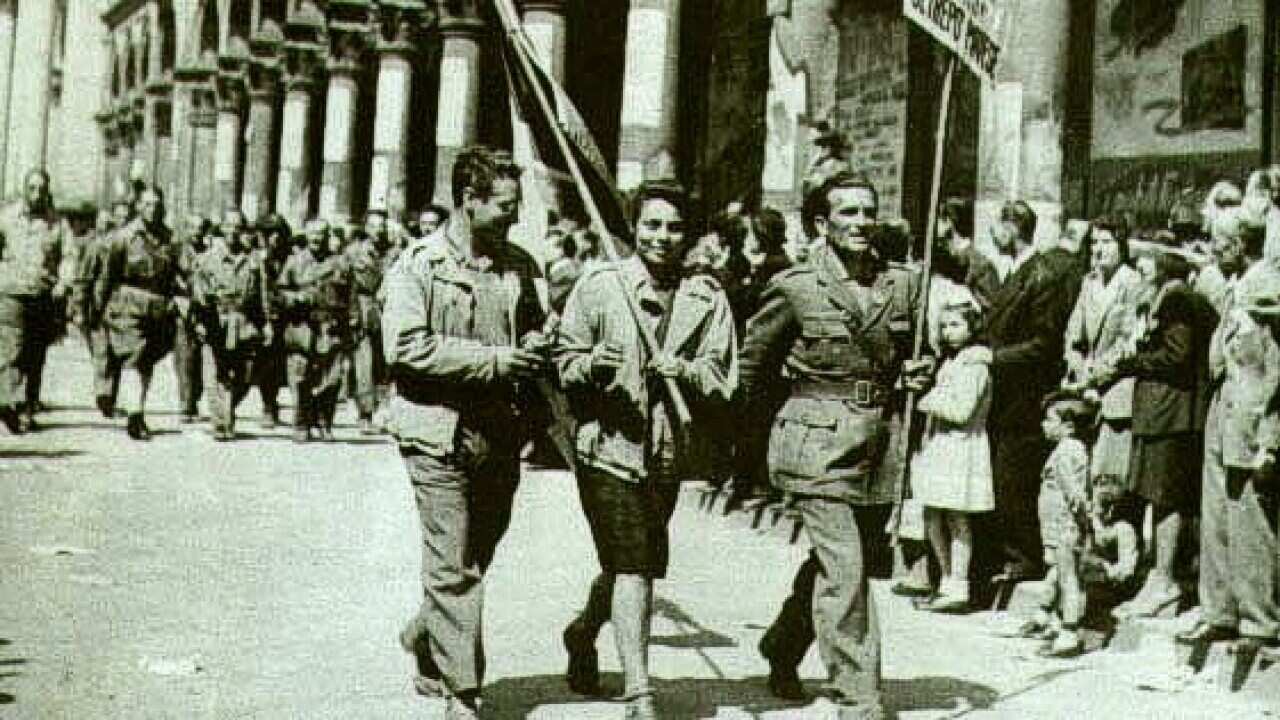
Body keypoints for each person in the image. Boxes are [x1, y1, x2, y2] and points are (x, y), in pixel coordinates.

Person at [741, 171, 928, 719]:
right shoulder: (796, 285)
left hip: (879, 444)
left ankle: (782, 644)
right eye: (847, 213)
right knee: (845, 569)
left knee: (846, 563)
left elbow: (916, 355)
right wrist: (754, 442)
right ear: (822, 224)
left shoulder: (903, 283)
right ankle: (860, 700)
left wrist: (921, 372)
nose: (862, 222)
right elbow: (752, 365)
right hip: (814, 442)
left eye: (868, 211)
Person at [557, 180, 737, 720]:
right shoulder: (598, 285)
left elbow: (725, 378)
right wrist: (594, 365)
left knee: (624, 564)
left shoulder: (709, 297)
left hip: (667, 453)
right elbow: (564, 362)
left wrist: (685, 370)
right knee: (636, 561)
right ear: (634, 227)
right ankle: (640, 693)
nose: (663, 237)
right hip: (608, 445)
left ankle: (584, 630)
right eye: (652, 224)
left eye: (675, 227)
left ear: (691, 235)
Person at [382, 146, 547, 720]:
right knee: (452, 563)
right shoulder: (418, 266)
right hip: (436, 431)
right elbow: (404, 347)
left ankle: (427, 637)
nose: (513, 216)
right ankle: (463, 691)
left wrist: (539, 349)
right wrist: (496, 361)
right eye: (504, 205)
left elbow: (536, 334)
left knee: (479, 552)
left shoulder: (521, 266)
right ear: (468, 200)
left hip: (499, 435)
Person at [1177, 208, 1280, 657]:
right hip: (1223, 409)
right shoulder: (1237, 285)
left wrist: (1270, 438)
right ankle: (1218, 611)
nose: (1213, 246)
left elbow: (1274, 370)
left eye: (1220, 239)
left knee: (1249, 518)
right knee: (1216, 512)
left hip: (1253, 416)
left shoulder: (1268, 289)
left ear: (1242, 243)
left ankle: (1258, 620)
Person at [1105, 243, 1213, 618]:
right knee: (1161, 496)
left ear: (1164, 268)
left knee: (1165, 497)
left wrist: (1128, 362)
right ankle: (1162, 576)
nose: (1139, 272)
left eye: (1145, 265)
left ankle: (1163, 579)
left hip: (1170, 413)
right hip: (1165, 412)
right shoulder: (1173, 298)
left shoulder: (1178, 300)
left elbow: (1176, 356)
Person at [982, 200, 1083, 586]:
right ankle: (1008, 554)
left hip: (1024, 396)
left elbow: (1043, 343)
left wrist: (992, 356)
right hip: (1005, 393)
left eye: (998, 226)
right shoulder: (1017, 272)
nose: (994, 234)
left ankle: (1024, 556)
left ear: (1011, 228)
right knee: (1000, 474)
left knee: (1014, 478)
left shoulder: (1039, 275)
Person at [910, 299, 994, 613]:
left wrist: (926, 400)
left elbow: (961, 411)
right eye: (944, 325)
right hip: (940, 445)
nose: (948, 331)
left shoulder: (976, 366)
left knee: (957, 517)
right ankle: (945, 579)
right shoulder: (951, 361)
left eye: (956, 324)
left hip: (961, 446)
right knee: (932, 514)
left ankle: (959, 583)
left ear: (973, 327)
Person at [1062, 217, 1145, 491]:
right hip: (1085, 394)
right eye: (1094, 242)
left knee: (1109, 482)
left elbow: (1129, 342)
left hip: (1116, 393)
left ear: (1121, 245)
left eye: (1106, 242)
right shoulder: (1089, 283)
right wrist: (1078, 367)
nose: (1098, 249)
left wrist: (1095, 377)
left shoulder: (1133, 284)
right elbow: (1073, 335)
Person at [92, 186, 177, 440]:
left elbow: (174, 274)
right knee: (133, 357)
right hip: (127, 304)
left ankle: (136, 408)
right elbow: (108, 275)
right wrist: (99, 306)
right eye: (148, 204)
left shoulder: (168, 238)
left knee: (146, 361)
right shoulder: (124, 237)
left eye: (157, 204)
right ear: (139, 207)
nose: (153, 209)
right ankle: (135, 415)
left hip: (157, 308)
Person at [0, 169, 69, 433]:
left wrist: (64, 281)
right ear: (23, 188)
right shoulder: (6, 218)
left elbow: (70, 256)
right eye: (31, 188)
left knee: (35, 354)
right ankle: (10, 404)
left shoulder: (57, 223)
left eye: (41, 189)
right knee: (11, 349)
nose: (36, 194)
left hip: (42, 296)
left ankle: (27, 406)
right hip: (11, 293)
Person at [1026, 395, 1094, 658]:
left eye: (1049, 419)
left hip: (1066, 526)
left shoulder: (1067, 451)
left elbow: (1072, 489)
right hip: (1060, 525)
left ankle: (1069, 633)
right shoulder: (1068, 449)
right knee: (1060, 573)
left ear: (1068, 425)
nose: (1044, 424)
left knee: (1069, 578)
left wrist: (1083, 515)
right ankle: (1050, 618)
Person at [194, 217, 272, 441]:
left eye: (238, 227)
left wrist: (266, 323)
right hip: (216, 320)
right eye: (229, 225)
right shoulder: (207, 259)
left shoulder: (254, 261)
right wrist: (199, 320)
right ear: (222, 228)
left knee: (245, 375)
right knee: (215, 373)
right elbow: (198, 292)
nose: (233, 231)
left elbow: (262, 294)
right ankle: (220, 422)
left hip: (244, 321)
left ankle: (228, 408)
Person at [278, 218, 354, 442]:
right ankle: (301, 422)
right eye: (312, 233)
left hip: (330, 328)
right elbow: (280, 292)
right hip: (303, 327)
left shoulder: (340, 263)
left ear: (328, 235)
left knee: (331, 379)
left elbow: (351, 295)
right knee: (302, 379)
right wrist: (296, 298)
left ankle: (324, 422)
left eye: (321, 233)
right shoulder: (294, 262)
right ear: (306, 235)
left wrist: (353, 322)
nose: (317, 238)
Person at [251, 214, 293, 429]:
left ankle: (275, 404)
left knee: (282, 364)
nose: (275, 238)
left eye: (279, 233)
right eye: (270, 233)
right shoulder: (257, 258)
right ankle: (268, 405)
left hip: (286, 316)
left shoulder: (290, 256)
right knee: (266, 363)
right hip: (262, 317)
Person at [172, 215, 211, 423]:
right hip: (183, 308)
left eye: (201, 228)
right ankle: (185, 403)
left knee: (202, 358)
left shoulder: (209, 253)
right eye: (193, 227)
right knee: (185, 357)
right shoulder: (176, 250)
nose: (197, 232)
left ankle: (194, 397)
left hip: (205, 309)